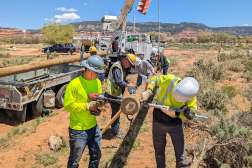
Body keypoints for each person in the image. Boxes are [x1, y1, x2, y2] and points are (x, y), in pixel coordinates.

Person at [141, 74, 199, 168]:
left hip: (175, 123)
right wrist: (149, 90)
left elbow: (192, 109)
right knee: (159, 152)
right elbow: (155, 79)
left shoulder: (190, 94)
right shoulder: (170, 80)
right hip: (159, 119)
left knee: (180, 156)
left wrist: (190, 113)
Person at [64, 55, 105, 168]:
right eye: (97, 72)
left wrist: (98, 109)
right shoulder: (74, 84)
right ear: (90, 70)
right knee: (74, 161)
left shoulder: (97, 82)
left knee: (96, 155)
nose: (98, 75)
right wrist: (87, 106)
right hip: (78, 130)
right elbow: (68, 105)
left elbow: (98, 102)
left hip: (93, 127)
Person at [105, 53, 137, 136]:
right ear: (125, 60)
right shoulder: (117, 67)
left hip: (116, 92)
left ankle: (115, 129)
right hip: (112, 93)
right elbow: (118, 81)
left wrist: (127, 83)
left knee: (117, 112)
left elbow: (122, 80)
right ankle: (115, 131)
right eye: (129, 64)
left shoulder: (121, 67)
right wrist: (128, 86)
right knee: (116, 113)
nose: (129, 66)